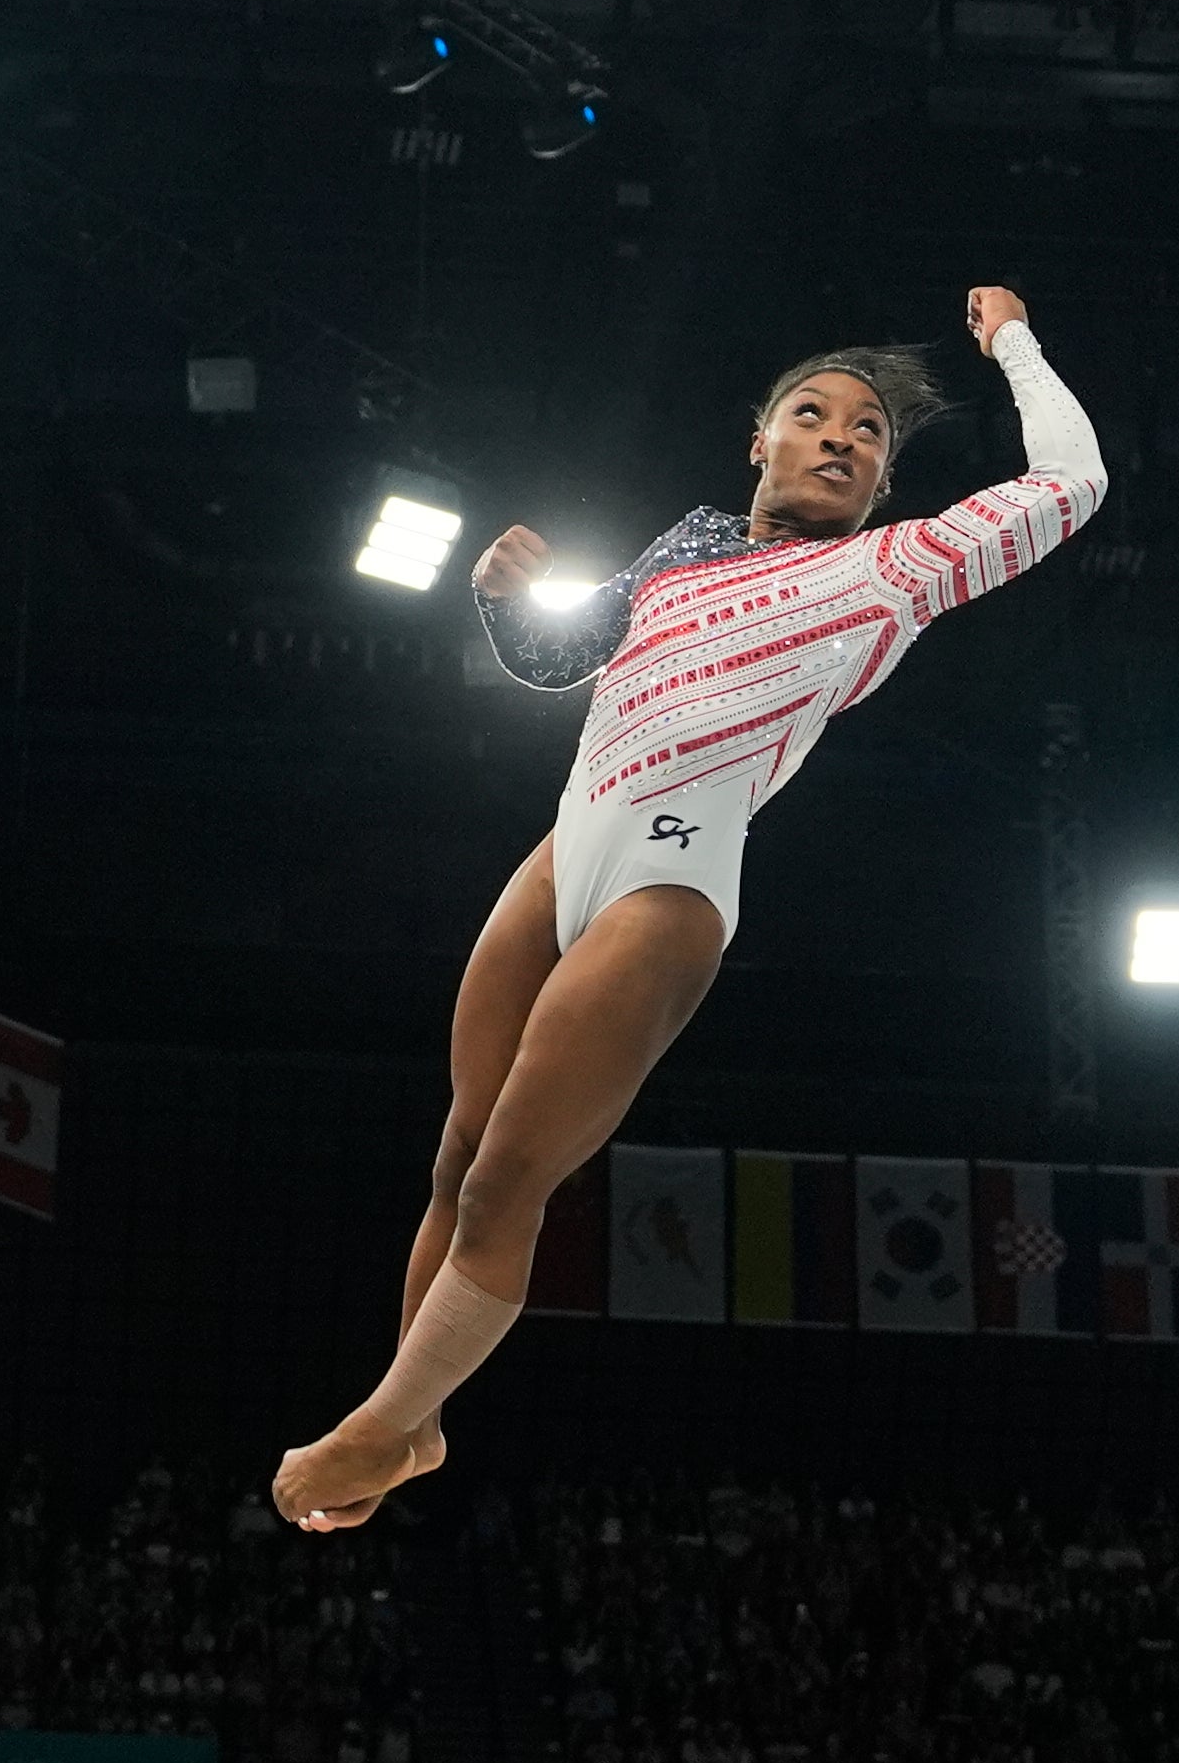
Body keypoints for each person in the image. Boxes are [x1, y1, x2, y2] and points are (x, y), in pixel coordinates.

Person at [273, 283, 1106, 1528]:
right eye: (811, 414)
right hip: (563, 851)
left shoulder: (896, 569)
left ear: (882, 484)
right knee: (453, 1155)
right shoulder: (682, 545)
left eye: (868, 432)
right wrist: (506, 600)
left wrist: (1016, 347)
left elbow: (1073, 484)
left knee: (507, 1182)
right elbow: (561, 661)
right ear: (758, 442)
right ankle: (417, 1424)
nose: (839, 436)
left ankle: (383, 1428)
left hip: (669, 876)